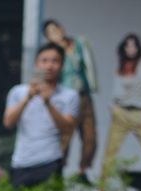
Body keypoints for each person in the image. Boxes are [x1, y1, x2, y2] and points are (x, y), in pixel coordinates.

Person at [4, 43, 80, 188]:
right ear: (36, 64)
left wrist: (48, 102)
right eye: (44, 61)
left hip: (50, 161)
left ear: (62, 65)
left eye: (55, 61)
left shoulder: (70, 96)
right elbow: (8, 122)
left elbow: (68, 128)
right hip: (21, 162)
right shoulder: (18, 92)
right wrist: (27, 98)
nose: (49, 66)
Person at [100, 33, 141, 189]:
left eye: (134, 46)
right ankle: (101, 190)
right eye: (128, 46)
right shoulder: (121, 65)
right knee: (110, 154)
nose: (131, 49)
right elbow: (117, 89)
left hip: (139, 113)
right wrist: (112, 105)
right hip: (121, 113)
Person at [41, 19, 98, 178]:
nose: (55, 34)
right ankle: (57, 170)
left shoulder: (79, 44)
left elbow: (88, 66)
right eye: (50, 33)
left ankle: (83, 170)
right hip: (67, 98)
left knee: (90, 136)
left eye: (55, 30)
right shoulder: (55, 54)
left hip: (83, 94)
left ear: (61, 29)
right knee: (65, 137)